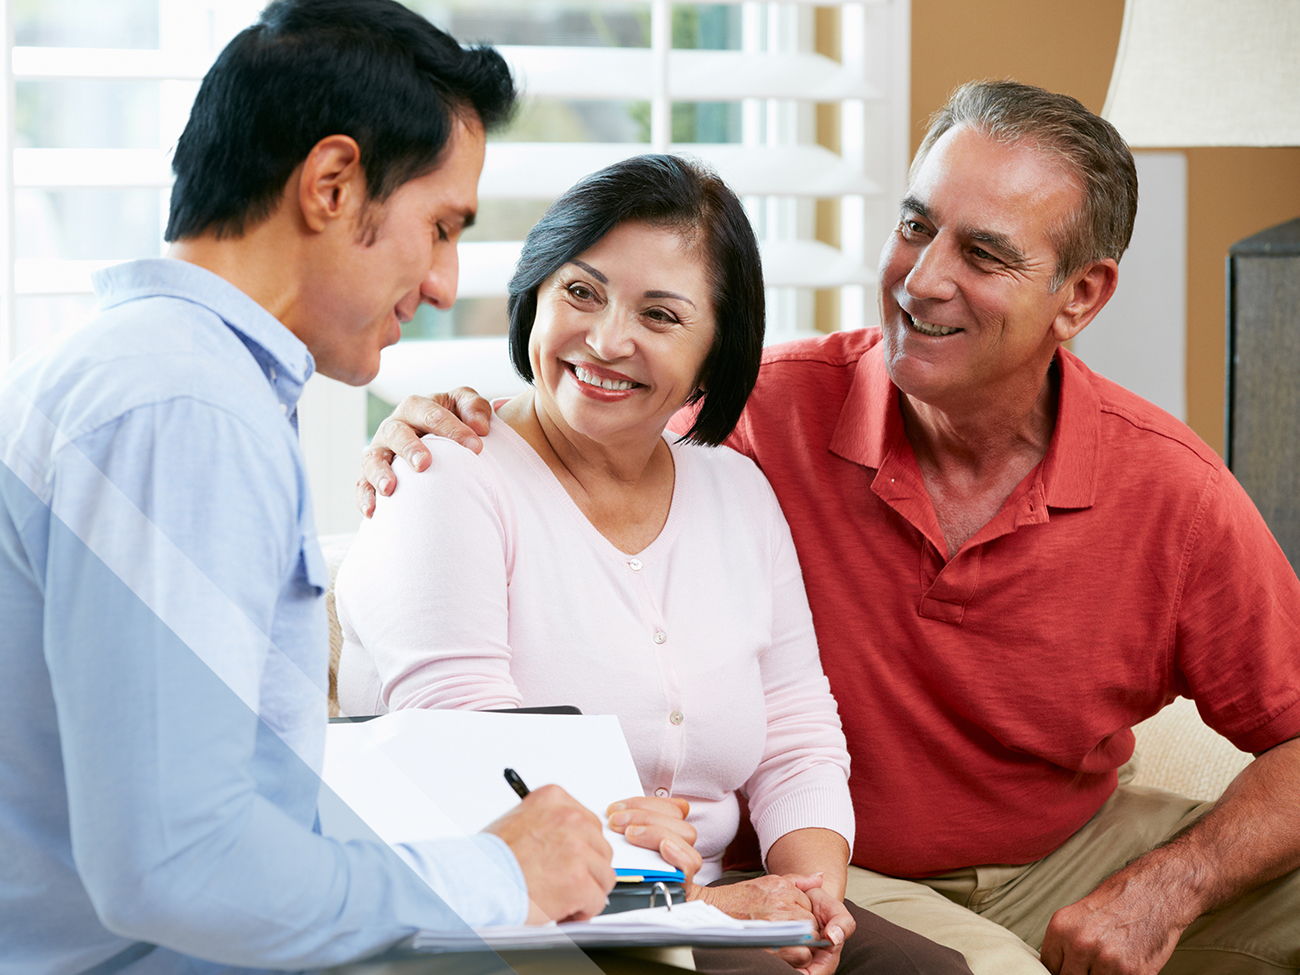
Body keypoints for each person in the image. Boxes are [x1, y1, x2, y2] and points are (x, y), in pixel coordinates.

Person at [358, 81, 1300, 975]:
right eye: (914, 225)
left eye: (984, 254)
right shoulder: (764, 414)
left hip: (1068, 848)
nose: (922, 279)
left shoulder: (1171, 492)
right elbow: (591, 416)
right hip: (855, 871)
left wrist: (1166, 888)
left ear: (1082, 296)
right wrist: (426, 429)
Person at [0, 2, 697, 971]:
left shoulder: (150, 377)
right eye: (440, 226)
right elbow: (173, 866)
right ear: (332, 184)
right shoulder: (182, 410)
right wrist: (499, 876)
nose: (449, 281)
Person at [334, 154, 974, 975]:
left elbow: (796, 732)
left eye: (661, 315)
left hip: (704, 903)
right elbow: (480, 774)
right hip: (518, 918)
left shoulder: (736, 490)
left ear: (713, 358)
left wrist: (811, 893)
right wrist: (700, 909)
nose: (606, 339)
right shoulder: (443, 474)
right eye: (581, 291)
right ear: (534, 292)